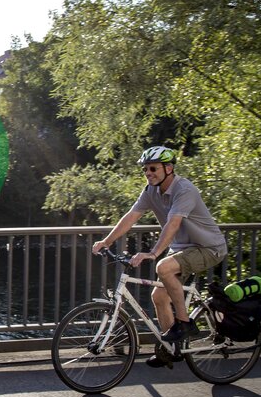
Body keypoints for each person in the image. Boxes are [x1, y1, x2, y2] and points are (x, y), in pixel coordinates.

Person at [92, 146, 228, 368]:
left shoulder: (184, 190)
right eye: (145, 169)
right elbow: (131, 217)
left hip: (208, 247)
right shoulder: (150, 191)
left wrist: (154, 253)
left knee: (163, 267)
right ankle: (172, 349)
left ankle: (184, 324)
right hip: (183, 249)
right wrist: (107, 241)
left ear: (169, 168)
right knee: (159, 297)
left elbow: (173, 224)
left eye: (153, 168)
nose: (148, 173)